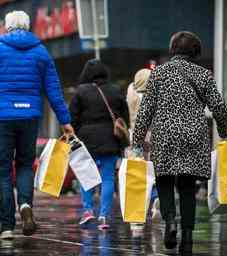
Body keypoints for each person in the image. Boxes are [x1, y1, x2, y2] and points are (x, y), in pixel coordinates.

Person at [132, 31, 227, 255]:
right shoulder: (203, 75)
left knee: (164, 180)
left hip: (164, 134)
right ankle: (187, 238)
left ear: (173, 49)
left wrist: (136, 140)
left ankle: (170, 221)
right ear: (195, 51)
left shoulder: (158, 74)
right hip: (193, 136)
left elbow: (145, 110)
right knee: (187, 186)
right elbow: (219, 107)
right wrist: (224, 132)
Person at [0, 11, 73, 240]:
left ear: (7, 26)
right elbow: (53, 90)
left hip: (3, 116)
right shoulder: (41, 52)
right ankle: (24, 206)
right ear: (28, 25)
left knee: (2, 171)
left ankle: (7, 227)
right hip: (30, 116)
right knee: (23, 165)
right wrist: (65, 121)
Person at [69, 59, 129, 230]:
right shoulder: (115, 90)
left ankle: (88, 211)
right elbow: (124, 117)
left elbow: (72, 118)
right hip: (110, 138)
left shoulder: (81, 92)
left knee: (85, 176)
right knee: (108, 178)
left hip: (86, 141)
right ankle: (104, 216)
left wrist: (78, 132)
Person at [127, 69, 160, 223]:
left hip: (136, 139)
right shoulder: (154, 95)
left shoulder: (131, 93)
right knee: (153, 171)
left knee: (138, 174)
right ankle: (155, 199)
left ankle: (139, 206)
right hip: (153, 138)